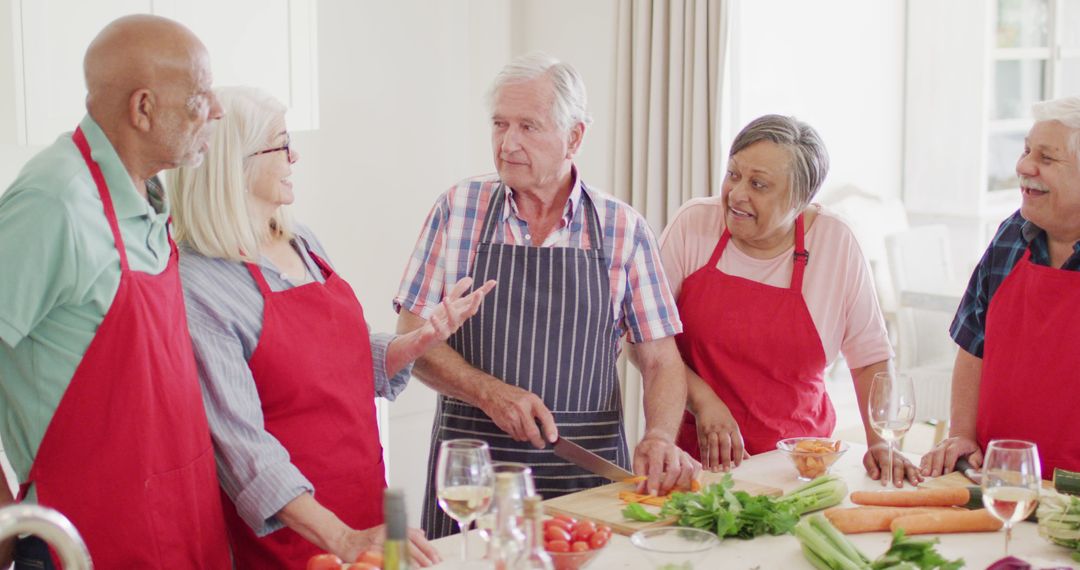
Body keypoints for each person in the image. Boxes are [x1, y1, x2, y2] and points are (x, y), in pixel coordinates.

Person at [168, 86, 491, 569]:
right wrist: (340, 538)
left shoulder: (303, 243)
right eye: (281, 144)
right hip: (297, 532)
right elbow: (241, 450)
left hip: (365, 507)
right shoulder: (199, 284)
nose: (294, 155)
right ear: (235, 161)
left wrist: (417, 341)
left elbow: (342, 360)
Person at [395, 52, 698, 538]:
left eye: (528, 127)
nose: (507, 143)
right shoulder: (457, 210)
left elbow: (661, 360)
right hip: (473, 483)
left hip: (587, 486)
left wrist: (660, 434)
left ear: (574, 137)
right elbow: (411, 340)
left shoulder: (623, 229)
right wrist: (489, 394)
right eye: (499, 124)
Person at [0, 15, 229, 569]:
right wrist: (5, 514)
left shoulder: (148, 191)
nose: (217, 111)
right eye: (200, 96)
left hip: (178, 525)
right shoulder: (54, 202)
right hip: (80, 543)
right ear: (142, 108)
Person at [659, 115, 916, 486]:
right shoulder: (694, 224)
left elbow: (869, 358)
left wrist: (882, 443)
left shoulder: (835, 242)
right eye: (733, 175)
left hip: (800, 466)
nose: (737, 194)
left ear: (802, 200)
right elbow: (649, 339)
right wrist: (703, 401)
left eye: (758, 184)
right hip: (697, 461)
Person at [920, 96, 1080, 478]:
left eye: (1046, 157)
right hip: (994, 483)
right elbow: (973, 344)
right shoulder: (1011, 236)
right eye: (1026, 150)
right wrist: (960, 434)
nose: (1023, 166)